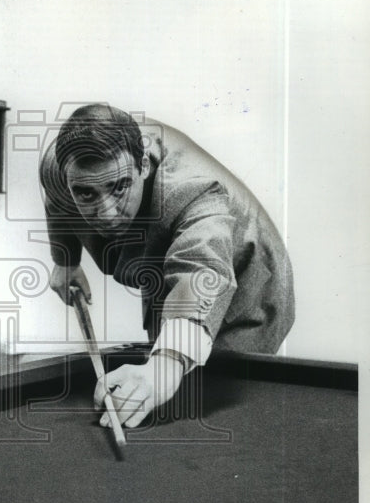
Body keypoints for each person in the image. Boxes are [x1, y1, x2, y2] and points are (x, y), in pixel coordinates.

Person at [40, 104, 295, 429]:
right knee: (162, 379)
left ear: (143, 166)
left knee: (206, 401)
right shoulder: (58, 166)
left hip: (249, 279)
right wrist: (65, 261)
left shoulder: (193, 190)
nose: (105, 213)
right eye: (86, 193)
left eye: (119, 187)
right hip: (168, 255)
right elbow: (56, 199)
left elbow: (200, 272)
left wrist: (166, 364)